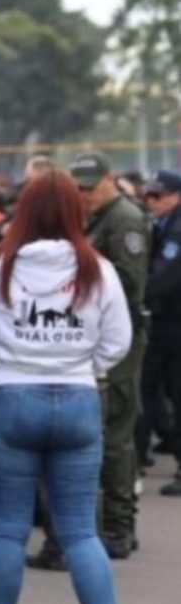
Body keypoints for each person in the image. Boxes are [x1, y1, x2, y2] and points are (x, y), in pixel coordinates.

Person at [0, 169, 131, 604]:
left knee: (7, 532)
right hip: (77, 401)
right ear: (76, 211)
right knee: (81, 533)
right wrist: (83, 364)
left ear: (23, 212)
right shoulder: (98, 268)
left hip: (13, 399)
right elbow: (118, 341)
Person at [26, 154, 150, 566]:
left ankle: (117, 526)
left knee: (114, 436)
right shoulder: (97, 218)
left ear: (111, 179)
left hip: (117, 339)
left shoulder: (124, 220)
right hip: (95, 338)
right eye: (78, 188)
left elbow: (128, 287)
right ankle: (106, 525)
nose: (84, 194)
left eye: (91, 187)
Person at [143, 171, 181, 496]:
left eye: (158, 195)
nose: (151, 201)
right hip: (163, 323)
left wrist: (138, 295)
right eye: (149, 195)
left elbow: (165, 277)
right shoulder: (162, 224)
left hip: (173, 323)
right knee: (151, 388)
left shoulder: (177, 229)